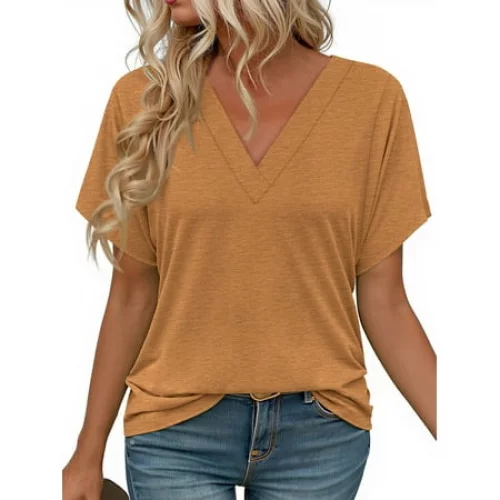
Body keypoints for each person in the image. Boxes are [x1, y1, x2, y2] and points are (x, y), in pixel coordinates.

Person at [62, 0, 437, 499]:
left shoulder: (372, 100)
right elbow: (132, 293)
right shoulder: (143, 102)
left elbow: (386, 301)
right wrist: (87, 452)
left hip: (321, 435)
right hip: (173, 432)